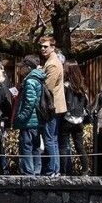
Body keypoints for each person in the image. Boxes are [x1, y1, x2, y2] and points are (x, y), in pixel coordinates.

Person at [14, 57, 48, 175]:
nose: (20, 69)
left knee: (27, 147)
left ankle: (29, 173)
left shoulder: (29, 81)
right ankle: (37, 171)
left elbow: (30, 101)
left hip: (29, 120)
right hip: (37, 119)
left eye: (22, 67)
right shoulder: (39, 79)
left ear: (28, 67)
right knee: (36, 147)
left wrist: (21, 116)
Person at [38, 37, 66, 176]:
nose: (43, 49)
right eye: (41, 46)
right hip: (53, 105)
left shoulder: (53, 64)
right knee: (52, 139)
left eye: (45, 46)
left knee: (50, 139)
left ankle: (54, 169)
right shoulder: (50, 62)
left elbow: (47, 86)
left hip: (52, 106)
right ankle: (54, 169)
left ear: (53, 47)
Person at [62, 70, 90, 175]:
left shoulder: (66, 86)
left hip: (67, 119)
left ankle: (64, 172)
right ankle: (85, 170)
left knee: (63, 146)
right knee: (79, 146)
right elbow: (86, 103)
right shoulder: (82, 87)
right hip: (79, 120)